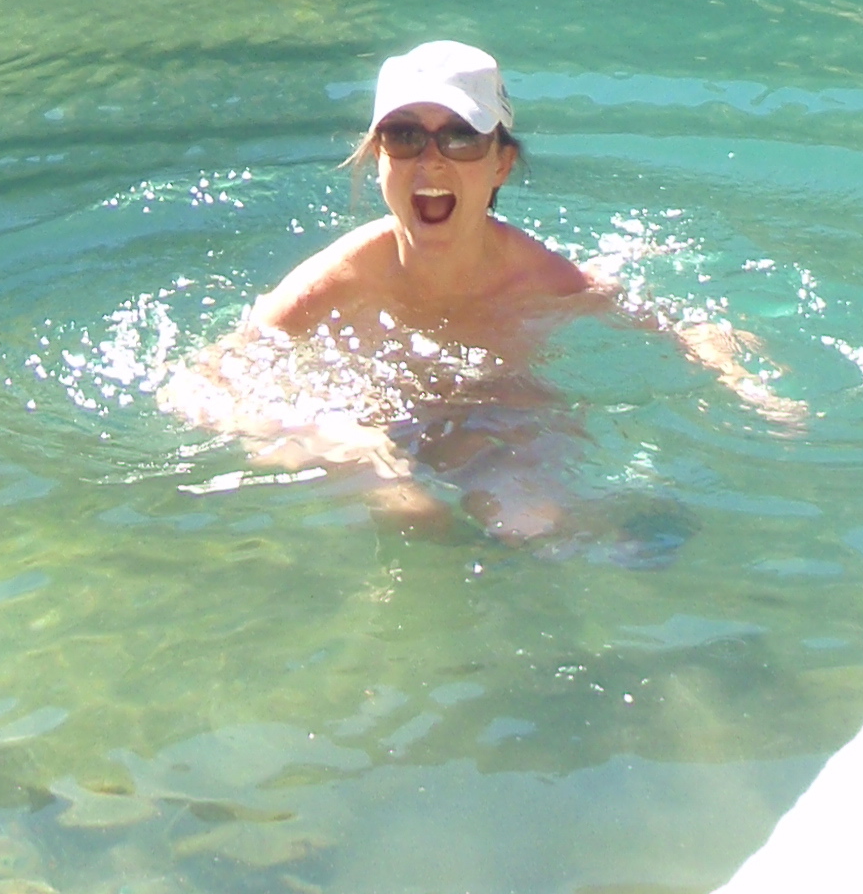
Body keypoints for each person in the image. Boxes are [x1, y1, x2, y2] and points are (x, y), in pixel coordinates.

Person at [162, 39, 802, 535]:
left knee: (534, 523)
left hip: (493, 406)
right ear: (378, 157)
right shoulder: (338, 280)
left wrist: (743, 380)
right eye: (404, 136)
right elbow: (202, 382)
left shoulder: (543, 277)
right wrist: (337, 444)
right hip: (371, 421)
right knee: (410, 511)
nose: (431, 161)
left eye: (461, 138)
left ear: (501, 163)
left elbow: (680, 325)